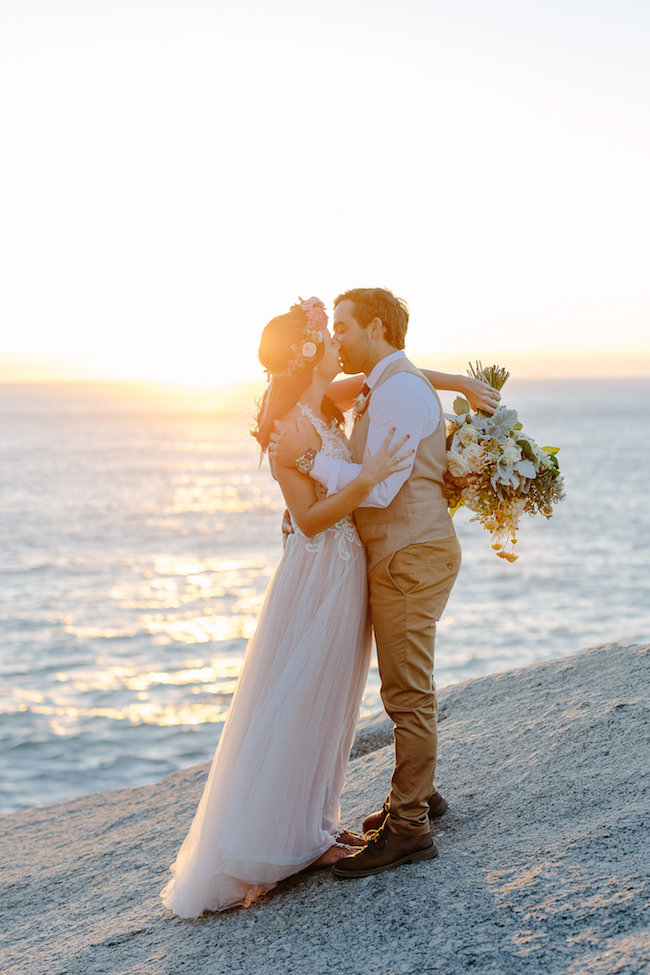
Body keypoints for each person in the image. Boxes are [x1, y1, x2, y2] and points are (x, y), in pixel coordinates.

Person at [161, 297, 412, 917]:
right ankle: (280, 843)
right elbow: (306, 520)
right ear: (308, 352)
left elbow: (392, 371)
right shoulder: (289, 430)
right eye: (325, 336)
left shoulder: (327, 403)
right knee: (304, 695)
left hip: (345, 566)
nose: (335, 342)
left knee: (332, 698)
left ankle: (315, 828)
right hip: (320, 569)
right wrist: (364, 477)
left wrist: (459, 382)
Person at [270, 288, 496, 878]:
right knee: (403, 685)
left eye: (342, 328)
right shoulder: (387, 380)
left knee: (406, 694)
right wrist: (459, 384)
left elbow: (381, 487)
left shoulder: (394, 389)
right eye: (329, 331)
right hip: (400, 553)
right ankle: (415, 795)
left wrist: (311, 463)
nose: (335, 338)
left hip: (407, 555)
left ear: (374, 327)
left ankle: (410, 827)